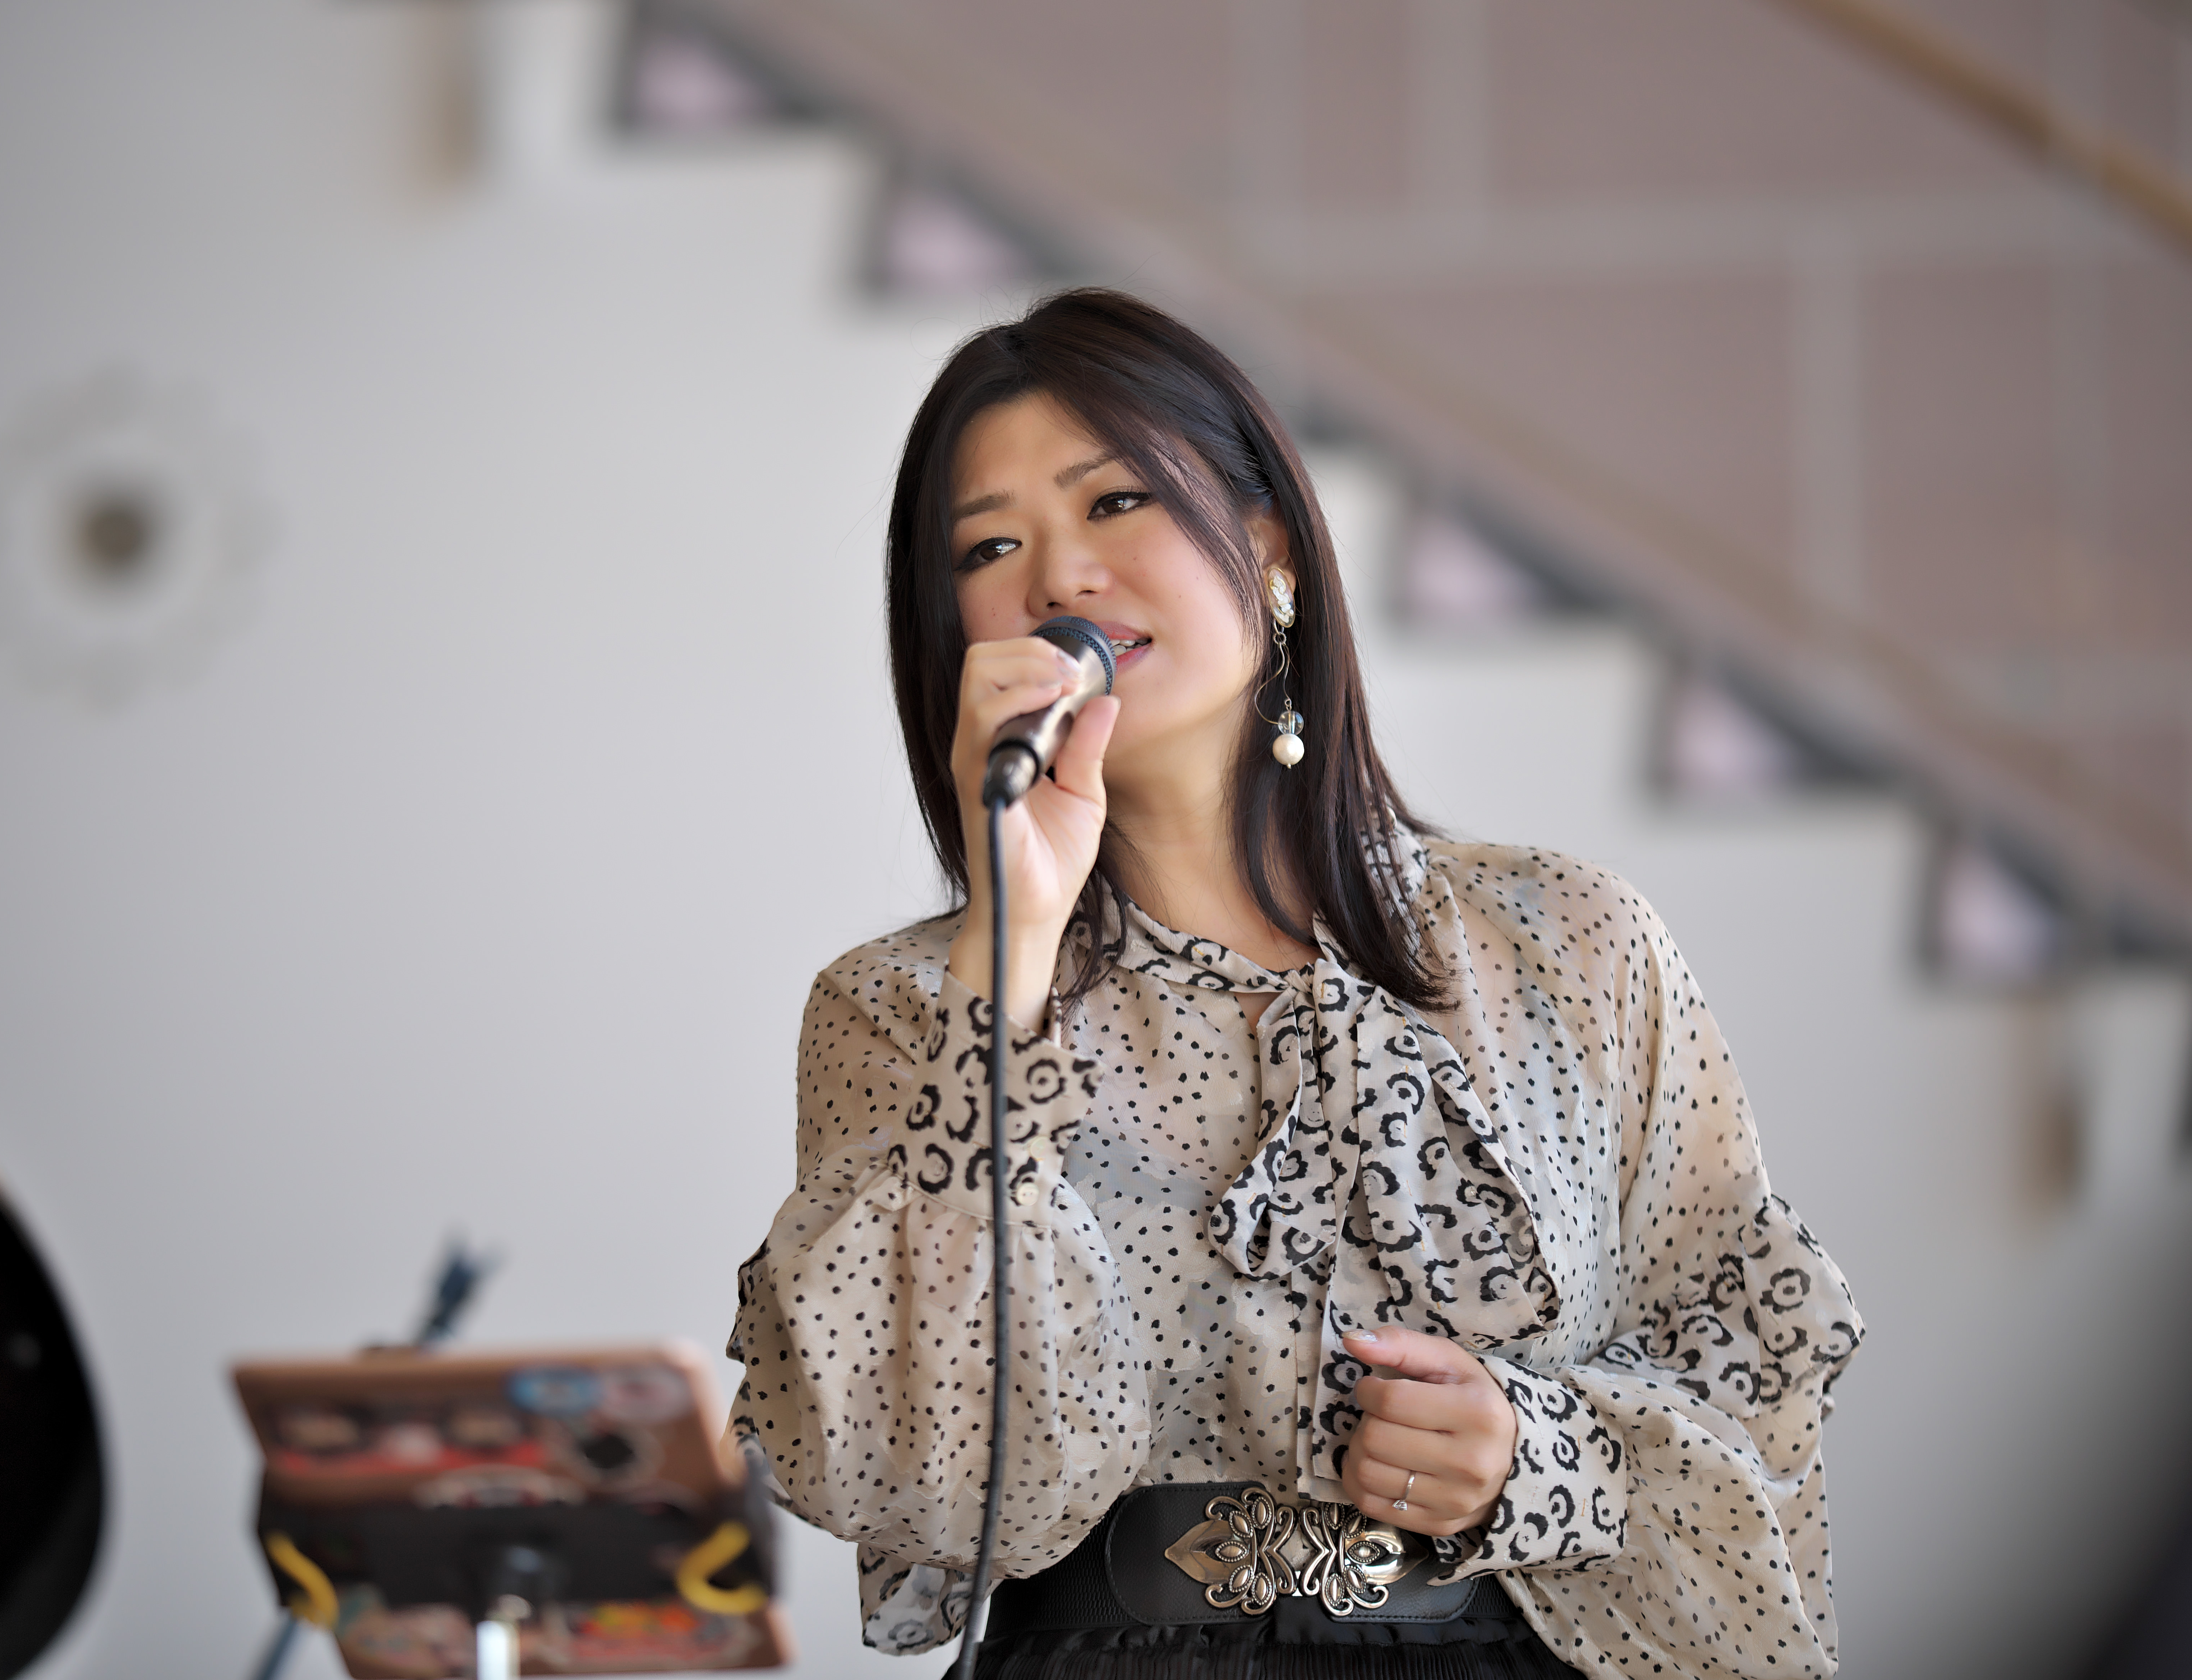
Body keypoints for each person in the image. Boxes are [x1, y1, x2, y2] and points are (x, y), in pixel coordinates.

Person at [728, 289, 1863, 1679]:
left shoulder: (1568, 945)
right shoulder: (900, 1009)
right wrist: (1008, 956)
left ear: (1268, 546)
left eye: (1117, 502)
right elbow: (926, 1482)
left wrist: (1535, 1454)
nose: (1061, 577)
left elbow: (1753, 1392)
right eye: (991, 546)